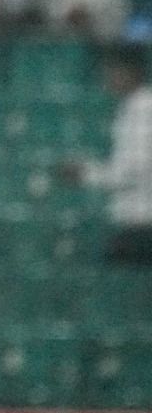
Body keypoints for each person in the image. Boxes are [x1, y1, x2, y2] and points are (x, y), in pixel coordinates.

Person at [59, 45, 152, 266]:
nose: (107, 77)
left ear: (130, 72)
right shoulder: (132, 106)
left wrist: (85, 173)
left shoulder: (143, 109)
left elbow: (130, 173)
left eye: (112, 70)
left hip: (142, 222)